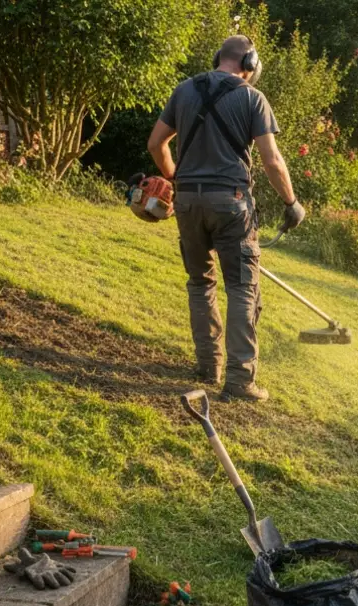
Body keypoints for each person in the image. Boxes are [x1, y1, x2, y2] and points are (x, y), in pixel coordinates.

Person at [146, 35, 306, 403]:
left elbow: (156, 144)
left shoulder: (184, 90)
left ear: (220, 57)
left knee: (200, 282)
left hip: (187, 202)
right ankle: (240, 380)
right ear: (250, 64)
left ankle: (208, 365)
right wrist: (292, 202)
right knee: (241, 288)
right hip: (231, 203)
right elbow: (271, 160)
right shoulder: (252, 98)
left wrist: (174, 179)